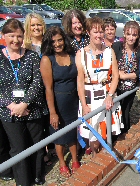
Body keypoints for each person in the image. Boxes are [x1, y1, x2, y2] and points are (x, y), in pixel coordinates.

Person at [0, 18, 45, 186]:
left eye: (19, 36)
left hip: (32, 109)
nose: (15, 40)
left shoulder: (31, 56)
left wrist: (24, 104)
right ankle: (23, 181)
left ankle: (37, 175)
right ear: (3, 35)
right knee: (18, 148)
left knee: (36, 145)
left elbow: (37, 82)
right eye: (11, 36)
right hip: (9, 112)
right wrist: (12, 106)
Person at [76, 17, 122, 157]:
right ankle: (96, 160)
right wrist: (84, 105)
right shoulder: (81, 54)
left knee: (106, 131)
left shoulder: (109, 51)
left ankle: (104, 159)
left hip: (106, 94)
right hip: (89, 97)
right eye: (95, 31)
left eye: (101, 31)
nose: (99, 35)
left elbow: (115, 76)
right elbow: (79, 81)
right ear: (88, 32)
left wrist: (110, 95)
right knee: (93, 135)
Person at [40, 26, 80, 178]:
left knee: (72, 131)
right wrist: (52, 112)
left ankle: (75, 160)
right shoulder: (46, 59)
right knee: (58, 134)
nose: (57, 44)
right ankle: (63, 163)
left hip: (74, 100)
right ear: (49, 43)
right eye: (53, 41)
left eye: (60, 40)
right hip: (58, 102)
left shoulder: (71, 54)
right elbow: (48, 89)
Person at [23, 12, 56, 167]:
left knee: (50, 119)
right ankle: (41, 153)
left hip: (50, 88)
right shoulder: (25, 46)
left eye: (39, 24)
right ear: (28, 28)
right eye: (33, 25)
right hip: (34, 91)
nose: (36, 28)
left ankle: (52, 147)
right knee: (38, 125)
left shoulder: (49, 43)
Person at [112, 21, 140, 134]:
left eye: (134, 35)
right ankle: (115, 135)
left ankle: (125, 133)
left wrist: (126, 76)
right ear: (124, 33)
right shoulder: (116, 47)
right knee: (116, 111)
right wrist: (119, 74)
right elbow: (111, 65)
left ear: (138, 36)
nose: (131, 38)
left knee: (126, 110)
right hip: (117, 87)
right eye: (128, 34)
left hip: (131, 88)